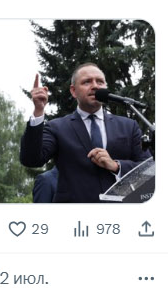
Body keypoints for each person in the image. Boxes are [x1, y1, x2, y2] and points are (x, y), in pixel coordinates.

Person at [20, 65, 151, 203]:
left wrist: (116, 166)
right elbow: (31, 159)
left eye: (100, 82)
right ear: (73, 91)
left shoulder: (128, 126)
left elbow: (148, 170)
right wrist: (39, 111)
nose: (95, 86)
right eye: (87, 82)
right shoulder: (57, 127)